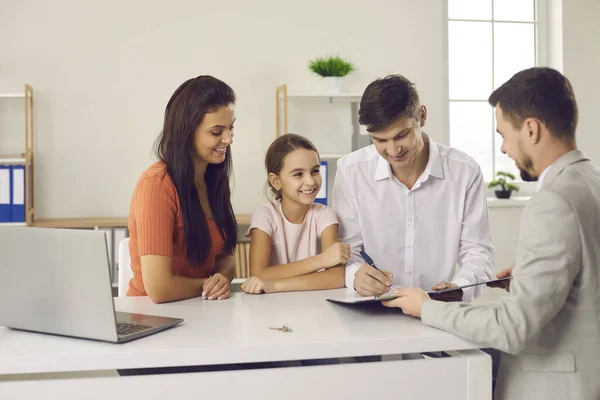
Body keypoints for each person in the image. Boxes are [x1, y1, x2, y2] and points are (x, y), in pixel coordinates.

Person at [384, 67, 600, 400]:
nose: (502, 149)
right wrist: (533, 279)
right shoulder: (591, 182)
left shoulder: (552, 203)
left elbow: (512, 328)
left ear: (531, 129)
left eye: (503, 134)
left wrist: (426, 307)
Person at [333, 74, 494, 302]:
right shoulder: (351, 171)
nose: (393, 150)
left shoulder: (465, 171)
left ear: (422, 116)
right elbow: (347, 251)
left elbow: (478, 252)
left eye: (401, 135)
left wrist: (460, 287)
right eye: (380, 140)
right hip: (372, 308)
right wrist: (354, 275)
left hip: (437, 309)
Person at [126, 75, 238, 304]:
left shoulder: (216, 180)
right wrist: (208, 285)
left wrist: (221, 279)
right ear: (186, 133)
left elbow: (226, 258)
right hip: (150, 317)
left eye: (231, 128)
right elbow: (159, 289)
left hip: (200, 311)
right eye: (216, 132)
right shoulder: (156, 185)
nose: (228, 139)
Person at [241, 133, 348, 294]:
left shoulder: (324, 215)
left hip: (315, 307)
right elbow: (259, 273)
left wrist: (274, 285)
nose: (311, 181)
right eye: (298, 174)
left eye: (315, 171)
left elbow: (337, 278)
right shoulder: (265, 215)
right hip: (271, 307)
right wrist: (322, 260)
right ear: (276, 181)